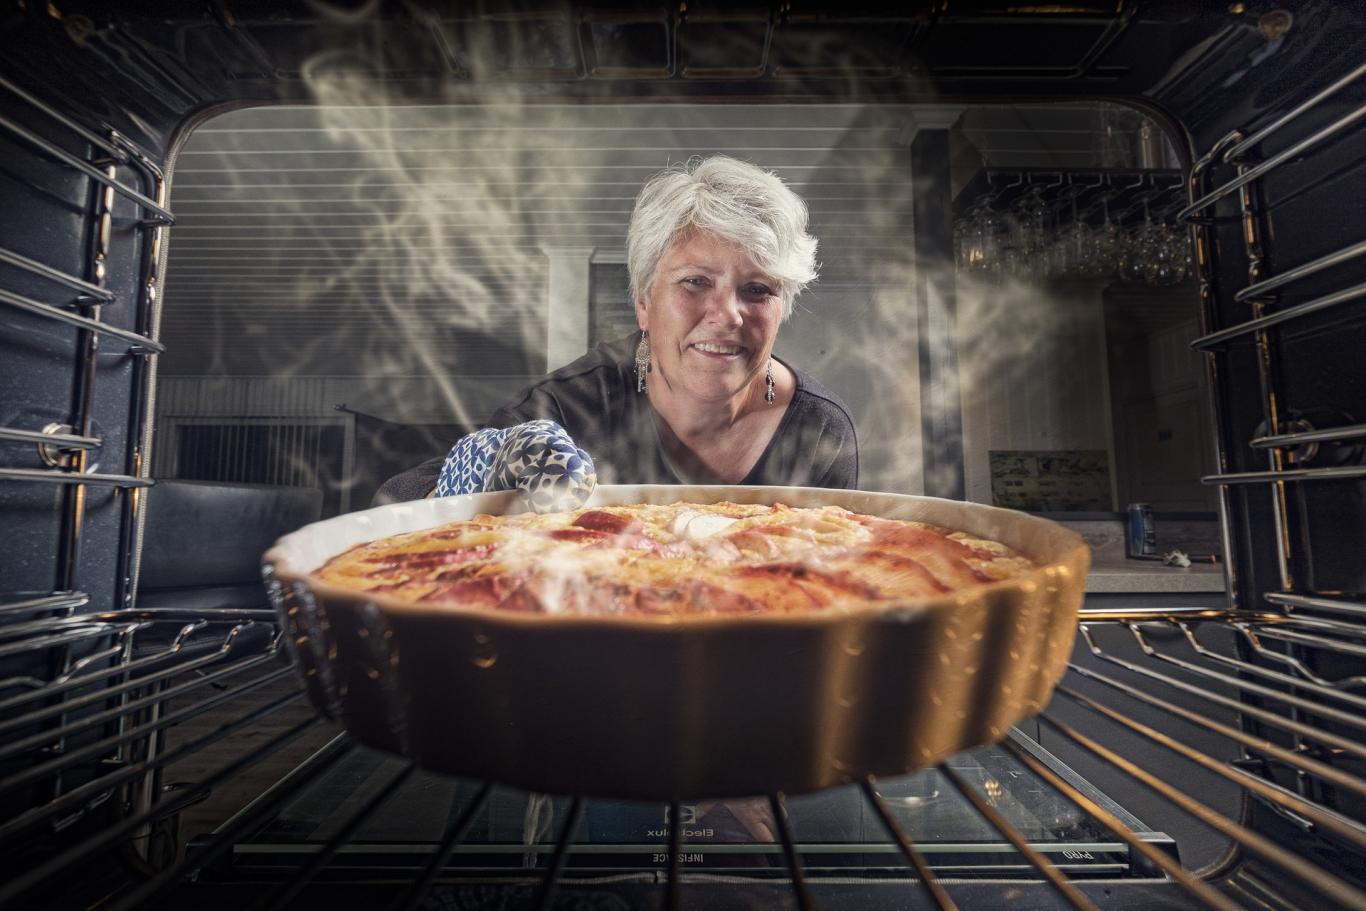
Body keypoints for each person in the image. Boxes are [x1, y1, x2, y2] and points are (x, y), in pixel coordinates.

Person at [377, 155, 858, 504]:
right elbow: (393, 510)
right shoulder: (572, 407)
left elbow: (833, 591)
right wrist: (475, 480)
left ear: (783, 308)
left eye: (757, 289)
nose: (728, 314)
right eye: (695, 282)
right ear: (645, 303)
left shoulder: (820, 431)